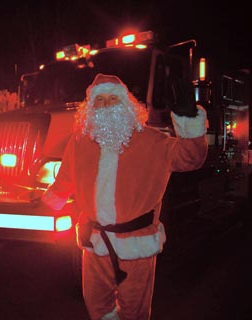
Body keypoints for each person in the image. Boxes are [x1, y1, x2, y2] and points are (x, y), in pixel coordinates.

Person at [41, 73, 208, 320]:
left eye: (113, 99)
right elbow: (66, 177)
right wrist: (52, 200)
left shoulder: (153, 141)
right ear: (89, 108)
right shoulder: (79, 142)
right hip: (94, 241)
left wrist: (188, 121)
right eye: (100, 101)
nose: (107, 105)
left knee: (134, 309)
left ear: (127, 105)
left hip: (136, 245)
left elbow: (190, 158)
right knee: (96, 304)